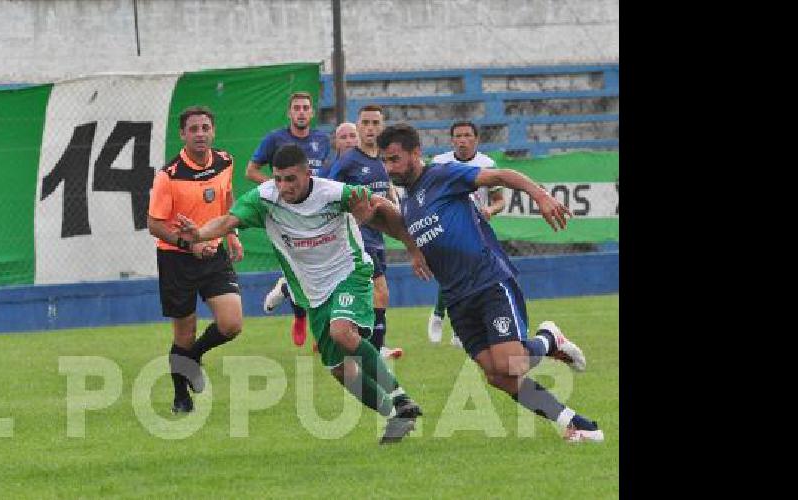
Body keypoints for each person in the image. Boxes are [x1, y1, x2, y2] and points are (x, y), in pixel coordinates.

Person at [176, 144, 432, 444]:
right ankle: (395, 417)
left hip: (349, 273)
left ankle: (401, 399)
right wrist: (201, 234)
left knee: (341, 332)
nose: (284, 186)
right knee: (338, 370)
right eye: (279, 179)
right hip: (312, 291)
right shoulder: (265, 199)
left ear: (307, 174)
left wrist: (412, 247)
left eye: (291, 179)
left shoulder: (334, 193)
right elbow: (228, 220)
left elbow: (382, 208)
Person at [374, 122, 601, 442]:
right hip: (456, 298)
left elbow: (502, 176)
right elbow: (411, 229)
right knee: (497, 375)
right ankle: (573, 422)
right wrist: (414, 250)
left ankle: (549, 339)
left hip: (487, 281)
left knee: (512, 363)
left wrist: (540, 195)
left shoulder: (442, 174)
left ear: (416, 153)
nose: (389, 167)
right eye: (384, 160)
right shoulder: (407, 199)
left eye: (394, 158)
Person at [146, 106, 245, 414]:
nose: (200, 134)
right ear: (183, 134)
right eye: (194, 129)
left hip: (213, 253)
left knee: (231, 324)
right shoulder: (169, 176)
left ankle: (192, 358)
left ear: (213, 131)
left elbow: (228, 198)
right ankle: (180, 398)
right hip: (177, 259)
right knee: (184, 333)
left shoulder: (225, 161)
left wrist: (231, 234)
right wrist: (190, 246)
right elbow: (153, 224)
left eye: (205, 128)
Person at [263, 121, 359, 353]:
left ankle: (366, 341)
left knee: (374, 286)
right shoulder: (330, 172)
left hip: (358, 226)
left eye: (351, 136)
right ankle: (296, 302)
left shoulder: (373, 162)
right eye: (343, 137)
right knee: (311, 276)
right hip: (325, 233)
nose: (348, 141)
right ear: (335, 142)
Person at [247, 91, 332, 347]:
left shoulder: (322, 140)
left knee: (318, 266)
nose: (302, 112)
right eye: (297, 108)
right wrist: (279, 190)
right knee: (301, 265)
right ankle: (300, 314)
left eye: (306, 107)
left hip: (316, 212)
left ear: (312, 112)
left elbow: (322, 177)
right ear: (289, 113)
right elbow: (251, 171)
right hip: (286, 213)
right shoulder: (275, 139)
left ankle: (289, 293)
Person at [326, 105, 403, 359]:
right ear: (358, 127)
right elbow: (329, 192)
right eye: (366, 123)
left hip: (377, 236)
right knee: (380, 292)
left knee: (369, 295)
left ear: (382, 127)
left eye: (375, 123)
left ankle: (358, 343)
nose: (370, 128)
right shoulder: (349, 160)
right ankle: (376, 349)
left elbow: (387, 190)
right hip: (358, 237)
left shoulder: (381, 159)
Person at [428, 121, 507, 346]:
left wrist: (490, 210)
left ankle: (452, 325)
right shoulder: (439, 163)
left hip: (476, 228)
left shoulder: (487, 164)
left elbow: (500, 201)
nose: (462, 140)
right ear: (452, 140)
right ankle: (438, 315)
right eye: (458, 136)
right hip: (446, 228)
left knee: (470, 277)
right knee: (453, 273)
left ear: (476, 139)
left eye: (467, 135)